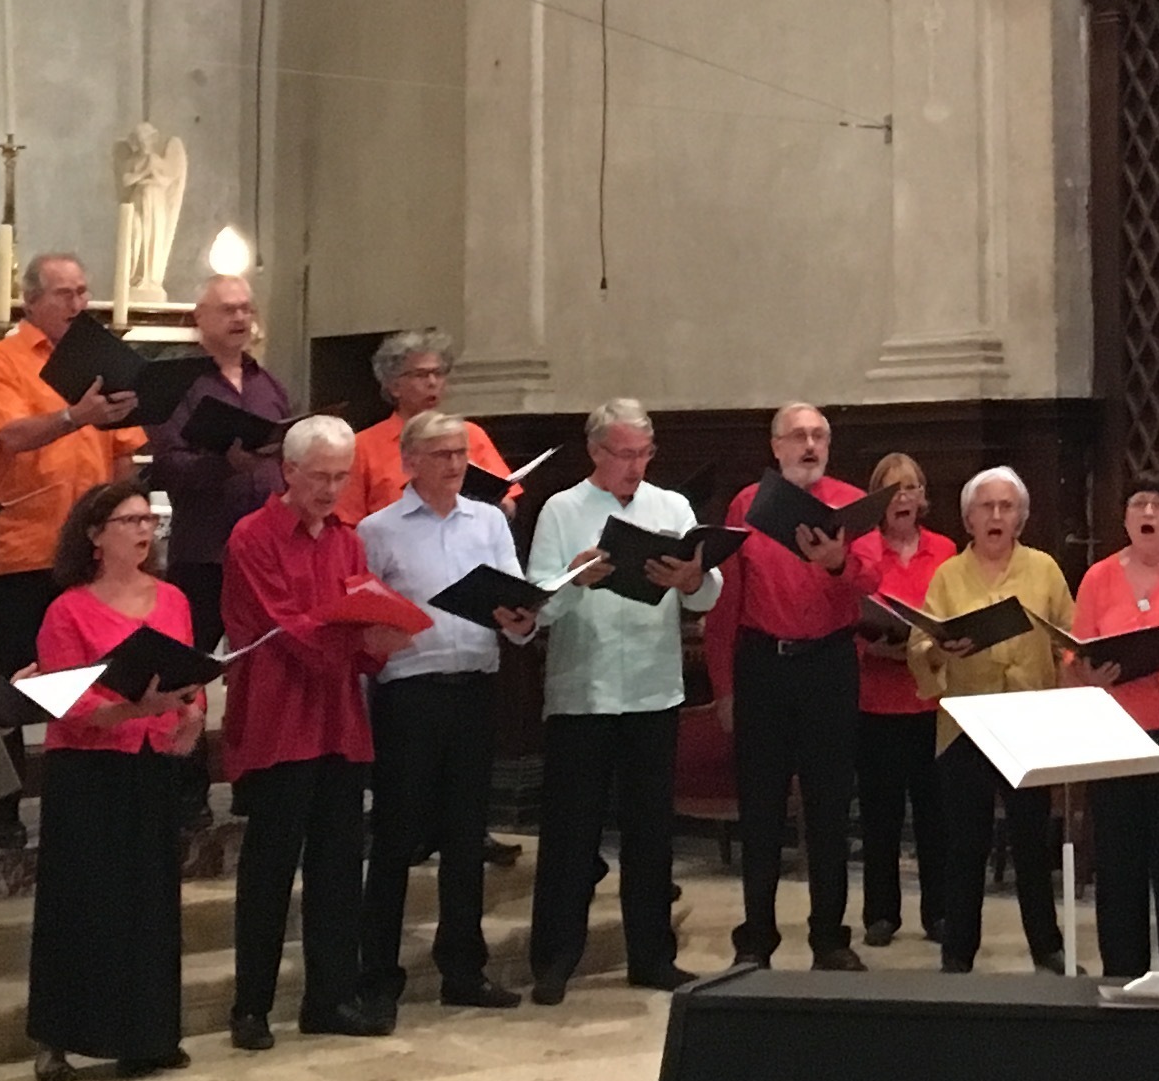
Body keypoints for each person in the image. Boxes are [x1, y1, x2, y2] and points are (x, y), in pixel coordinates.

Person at [221, 416, 423, 1046]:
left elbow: (355, 614)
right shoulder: (252, 536)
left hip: (339, 720)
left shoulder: (347, 539)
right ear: (289, 471)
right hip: (280, 719)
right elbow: (286, 628)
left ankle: (328, 1000)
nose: (333, 489)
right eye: (322, 477)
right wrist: (357, 640)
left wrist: (380, 642)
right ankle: (250, 1007)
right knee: (270, 870)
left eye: (342, 477)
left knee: (338, 870)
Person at [526, 400, 718, 1003]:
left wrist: (691, 580)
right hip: (583, 690)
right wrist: (572, 580)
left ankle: (652, 957)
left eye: (643, 454)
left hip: (653, 689)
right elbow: (535, 601)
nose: (635, 465)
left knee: (651, 832)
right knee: (571, 833)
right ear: (596, 452)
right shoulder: (562, 509)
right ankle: (555, 961)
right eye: (623, 454)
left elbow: (704, 595)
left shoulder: (673, 507)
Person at [26, 477, 205, 1081]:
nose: (142, 530)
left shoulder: (174, 599)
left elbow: (188, 674)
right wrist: (134, 709)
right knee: (81, 903)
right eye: (128, 521)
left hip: (151, 760)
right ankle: (59, 1038)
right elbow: (64, 701)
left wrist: (193, 715)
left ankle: (146, 1033)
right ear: (95, 536)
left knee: (149, 902)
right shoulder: (68, 608)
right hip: (88, 765)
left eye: (147, 521)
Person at [355, 414, 530, 1011]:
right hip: (409, 692)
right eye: (441, 454)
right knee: (398, 836)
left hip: (475, 685)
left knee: (465, 834)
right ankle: (378, 974)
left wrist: (524, 618)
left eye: (460, 453)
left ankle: (464, 970)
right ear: (410, 461)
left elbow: (516, 596)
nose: (455, 464)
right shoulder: (378, 530)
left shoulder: (488, 521)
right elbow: (362, 614)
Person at [912, 466, 1070, 974]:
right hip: (966, 723)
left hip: (1029, 721)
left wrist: (1069, 686)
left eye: (1007, 507)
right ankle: (958, 952)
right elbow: (921, 643)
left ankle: (1047, 947)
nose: (997, 516)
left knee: (1031, 841)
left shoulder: (1044, 568)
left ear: (1021, 518)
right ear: (968, 519)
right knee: (965, 845)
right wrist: (938, 646)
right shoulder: (947, 575)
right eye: (987, 507)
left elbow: (1071, 638)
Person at [711, 471, 868, 971]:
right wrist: (724, 686)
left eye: (819, 434)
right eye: (798, 434)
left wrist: (838, 561)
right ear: (776, 446)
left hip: (829, 662)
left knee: (829, 809)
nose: (810, 443)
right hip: (762, 663)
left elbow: (874, 581)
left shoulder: (852, 503)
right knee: (760, 809)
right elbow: (726, 596)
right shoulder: (747, 502)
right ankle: (756, 937)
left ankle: (830, 938)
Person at [1072, 476, 1159, 979]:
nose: (1148, 511)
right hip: (1115, 735)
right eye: (1138, 503)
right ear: (1126, 517)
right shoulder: (1098, 577)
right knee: (1118, 866)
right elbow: (1077, 649)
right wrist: (1086, 670)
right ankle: (1121, 977)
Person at [0, 254, 140, 674]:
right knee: (16, 680)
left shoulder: (106, 358)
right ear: (30, 301)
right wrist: (74, 417)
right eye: (64, 294)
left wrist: (121, 531)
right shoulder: (2, 359)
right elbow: (9, 435)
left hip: (91, 550)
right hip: (26, 552)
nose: (77, 304)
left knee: (92, 677)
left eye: (82, 292)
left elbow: (123, 453)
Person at [843, 455, 948, 947]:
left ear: (923, 497)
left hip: (931, 702)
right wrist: (871, 644)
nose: (903, 498)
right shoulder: (860, 550)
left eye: (911, 488)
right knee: (880, 816)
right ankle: (881, 915)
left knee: (935, 815)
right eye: (892, 490)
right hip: (876, 700)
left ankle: (940, 912)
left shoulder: (945, 550)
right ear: (877, 501)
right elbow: (844, 614)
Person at [146, 272, 288, 620]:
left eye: (245, 309)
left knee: (261, 654)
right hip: (204, 549)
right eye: (228, 310)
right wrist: (227, 465)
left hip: (267, 550)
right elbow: (167, 465)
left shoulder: (268, 384)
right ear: (200, 317)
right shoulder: (176, 382)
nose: (240, 318)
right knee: (191, 656)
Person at [341, 331, 510, 521]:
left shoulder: (470, 434)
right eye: (421, 375)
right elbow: (348, 521)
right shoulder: (363, 446)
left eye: (438, 373)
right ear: (394, 386)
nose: (432, 382)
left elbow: (509, 505)